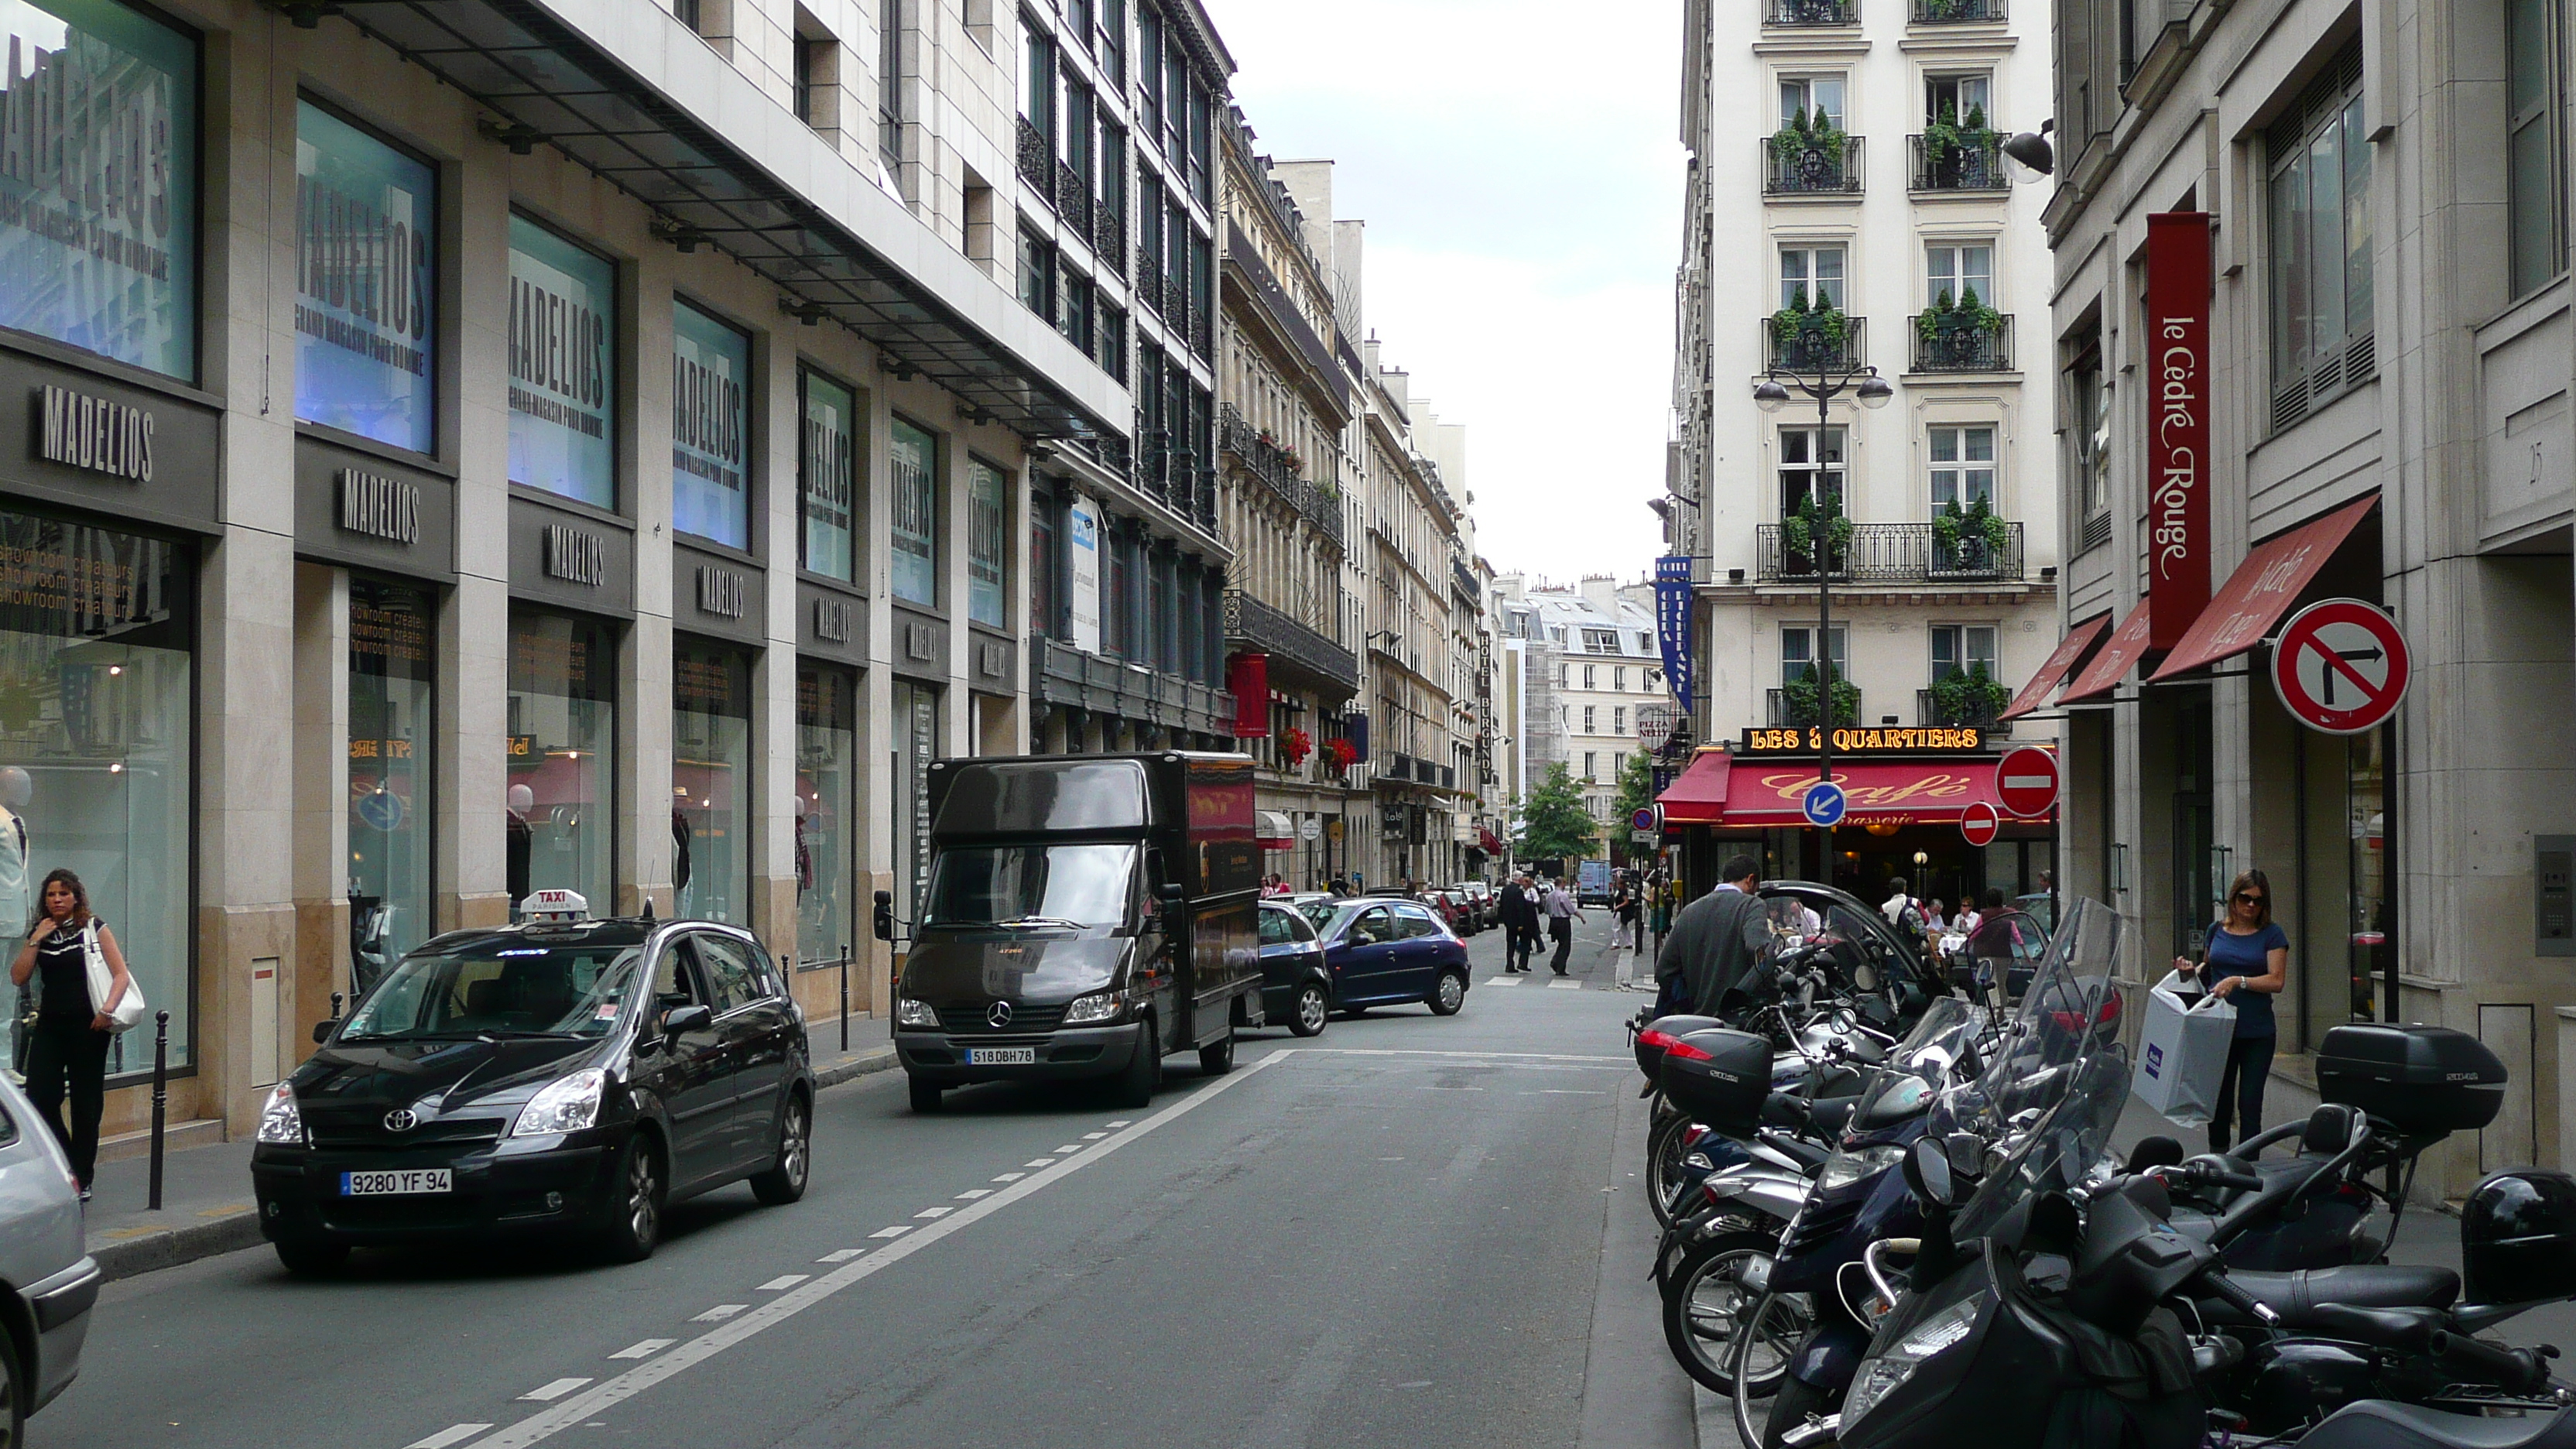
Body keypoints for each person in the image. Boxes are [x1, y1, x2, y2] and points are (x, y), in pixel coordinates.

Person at [10, 869, 132, 1201]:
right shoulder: (41, 932)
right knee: (40, 1097)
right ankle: (66, 1160)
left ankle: (83, 1175)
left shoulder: (93, 927)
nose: (57, 900)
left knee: (85, 1105)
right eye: (51, 895)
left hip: (89, 1027)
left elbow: (120, 974)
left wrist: (106, 1011)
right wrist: (36, 938)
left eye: (64, 894)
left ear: (76, 896)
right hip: (50, 1025)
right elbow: (18, 977)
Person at [2175, 868, 2288, 1153]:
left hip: (2256, 1031)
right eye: (2245, 898)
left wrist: (2239, 981)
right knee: (2219, 1101)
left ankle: (2248, 1167)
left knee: (2250, 1104)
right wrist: (2190, 972)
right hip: (2218, 1028)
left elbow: (2276, 980)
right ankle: (2218, 1161)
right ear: (2233, 898)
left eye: (2258, 901)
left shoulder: (2272, 935)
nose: (2251, 905)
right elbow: (2208, 970)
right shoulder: (2216, 930)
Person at [1655, 855, 1770, 1016]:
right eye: (1756, 889)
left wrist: (1687, 1001)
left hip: (1698, 1022)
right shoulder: (1751, 905)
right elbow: (1758, 951)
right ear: (1750, 880)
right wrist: (1773, 990)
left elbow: (1663, 971)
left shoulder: (1689, 911)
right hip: (1738, 1022)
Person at [1495, 872, 1539, 973]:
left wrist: (1503, 919)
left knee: (1510, 944)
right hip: (1518, 922)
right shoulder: (1518, 891)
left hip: (1508, 922)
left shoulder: (1505, 889)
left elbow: (1502, 905)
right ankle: (1523, 963)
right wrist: (1521, 923)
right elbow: (1520, 909)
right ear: (1519, 879)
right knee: (1526, 942)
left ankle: (1509, 964)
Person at [1542, 877, 1585, 976]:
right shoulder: (1562, 895)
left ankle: (1556, 962)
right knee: (1566, 945)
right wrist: (1581, 917)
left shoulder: (1550, 895)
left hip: (1553, 921)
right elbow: (1571, 909)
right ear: (1562, 883)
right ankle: (1559, 966)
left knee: (1561, 944)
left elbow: (1546, 910)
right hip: (1563, 921)